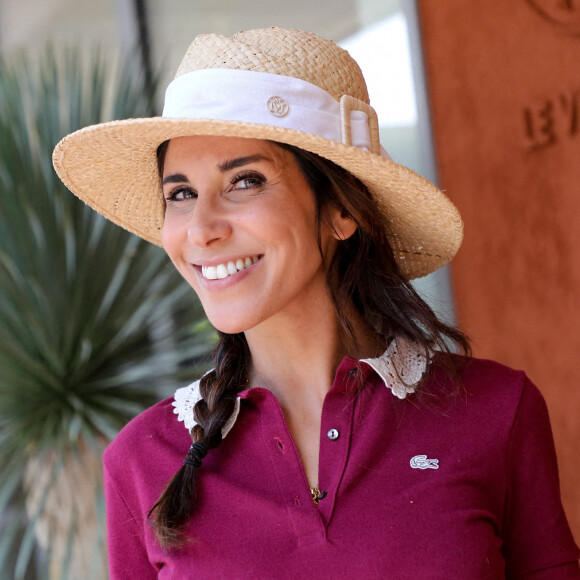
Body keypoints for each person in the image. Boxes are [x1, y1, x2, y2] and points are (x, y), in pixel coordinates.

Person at [53, 26, 579, 579]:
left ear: (340, 210)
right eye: (180, 194)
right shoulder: (141, 461)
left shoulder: (496, 411)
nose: (201, 229)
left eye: (244, 182)